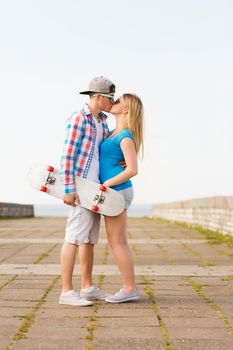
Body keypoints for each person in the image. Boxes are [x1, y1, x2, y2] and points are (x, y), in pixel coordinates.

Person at [59, 76, 115, 306]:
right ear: (98, 97)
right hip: (80, 188)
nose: (112, 103)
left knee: (89, 240)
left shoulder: (102, 122)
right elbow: (67, 155)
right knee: (73, 237)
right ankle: (66, 292)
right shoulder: (79, 118)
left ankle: (87, 287)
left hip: (94, 190)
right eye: (110, 98)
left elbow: (106, 152)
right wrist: (68, 188)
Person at [99, 93, 144, 303]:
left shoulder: (124, 135)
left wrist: (107, 184)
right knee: (120, 242)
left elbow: (133, 169)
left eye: (117, 102)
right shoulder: (112, 133)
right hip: (116, 191)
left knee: (117, 242)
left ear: (125, 110)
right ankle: (129, 287)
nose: (113, 102)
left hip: (117, 191)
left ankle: (129, 288)